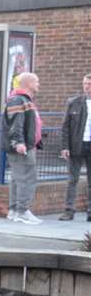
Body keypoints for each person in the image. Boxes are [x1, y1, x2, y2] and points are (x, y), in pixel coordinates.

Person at [5, 71, 42, 224]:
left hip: (25, 145)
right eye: (37, 81)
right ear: (29, 84)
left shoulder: (21, 99)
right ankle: (22, 211)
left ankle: (14, 210)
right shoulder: (18, 99)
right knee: (27, 178)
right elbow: (16, 123)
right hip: (23, 147)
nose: (39, 84)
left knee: (17, 179)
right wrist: (19, 142)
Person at [60, 74, 91, 220]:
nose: (86, 87)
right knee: (72, 179)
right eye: (85, 84)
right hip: (76, 146)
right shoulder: (73, 102)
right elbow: (65, 126)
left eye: (89, 84)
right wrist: (64, 147)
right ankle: (68, 211)